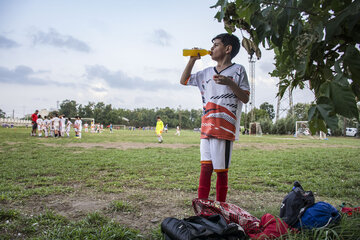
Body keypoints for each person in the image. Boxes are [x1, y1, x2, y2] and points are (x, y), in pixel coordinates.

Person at [180, 33, 250, 202]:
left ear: (228, 49)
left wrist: (230, 83)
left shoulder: (238, 70)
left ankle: (221, 208)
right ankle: (202, 206)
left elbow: (246, 98)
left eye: (216, 45)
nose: (211, 48)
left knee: (221, 171)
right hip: (206, 127)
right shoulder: (205, 73)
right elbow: (184, 80)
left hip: (224, 128)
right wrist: (192, 60)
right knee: (205, 168)